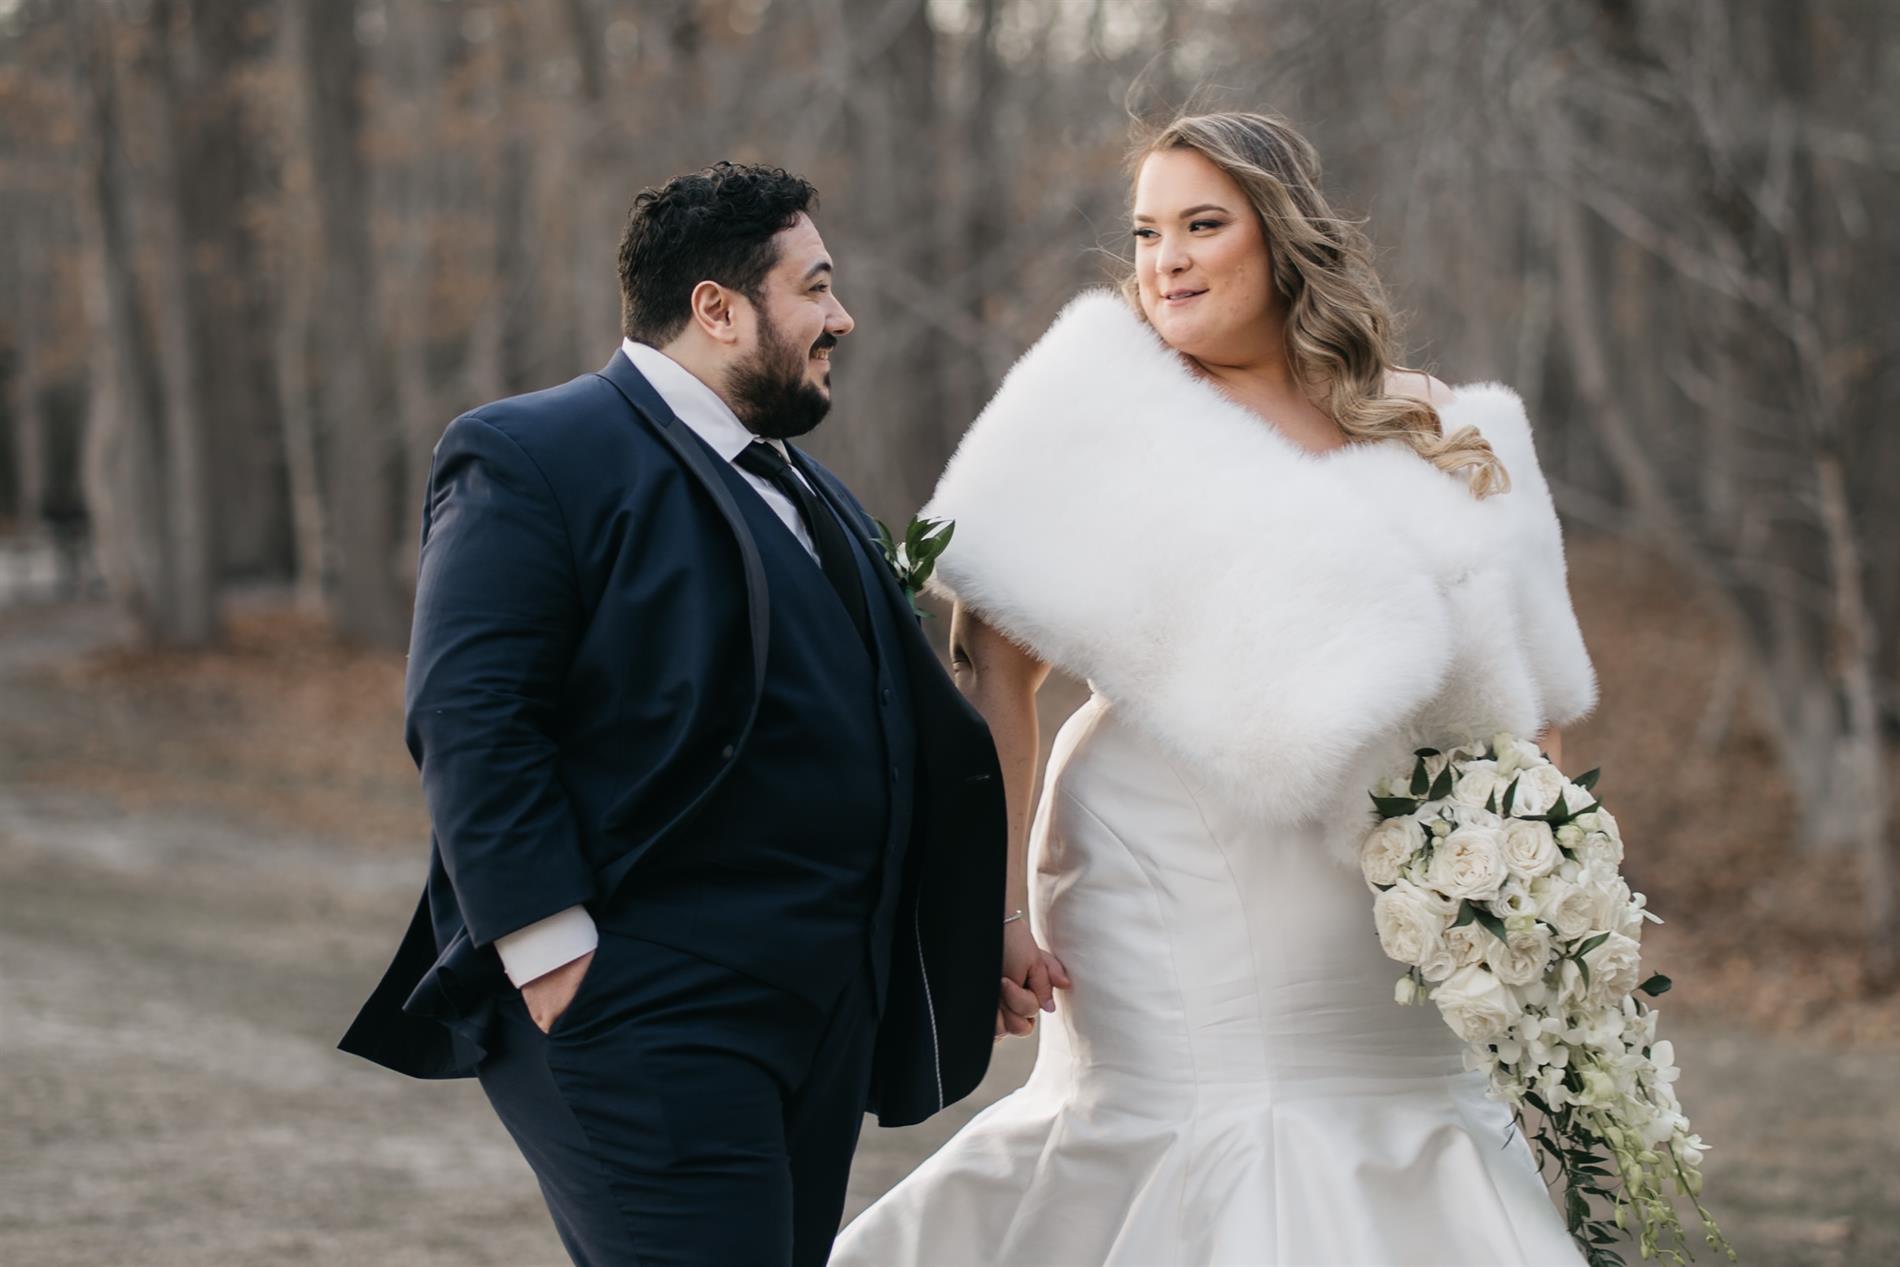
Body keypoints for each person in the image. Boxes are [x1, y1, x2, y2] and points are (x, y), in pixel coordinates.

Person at [830, 112, 1599, 1266]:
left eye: (1201, 225)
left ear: (1282, 239)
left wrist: (1535, 880)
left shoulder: (1435, 423)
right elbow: (994, 676)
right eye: (1146, 232)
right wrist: (992, 912)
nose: (1166, 260)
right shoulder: (1096, 422)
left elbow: (1526, 699)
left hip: (1383, 890)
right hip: (1158, 864)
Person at [338, 161, 1031, 1267]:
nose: (841, 318)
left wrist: (964, 928)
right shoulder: (533, 452)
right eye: (815, 287)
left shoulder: (811, 491)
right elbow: (470, 709)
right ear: (717, 308)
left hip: (818, 1021)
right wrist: (551, 950)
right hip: (641, 1008)